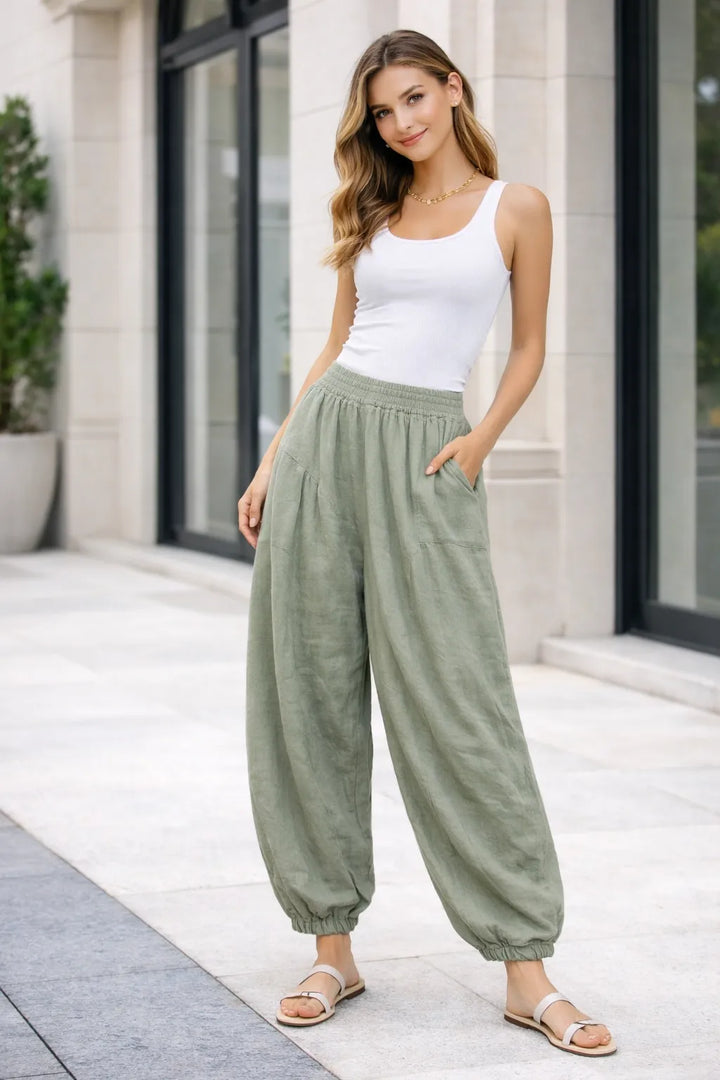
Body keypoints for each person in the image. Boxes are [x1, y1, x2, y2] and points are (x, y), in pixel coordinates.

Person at [238, 27, 616, 1060]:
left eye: (413, 97)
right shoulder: (375, 212)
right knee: (309, 690)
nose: (400, 123)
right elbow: (331, 346)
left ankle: (525, 970)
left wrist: (480, 442)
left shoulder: (516, 207)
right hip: (326, 442)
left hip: (428, 452)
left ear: (453, 88)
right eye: (381, 111)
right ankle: (331, 948)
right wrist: (276, 458)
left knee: (460, 703)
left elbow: (531, 344)